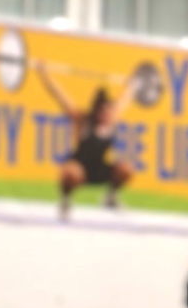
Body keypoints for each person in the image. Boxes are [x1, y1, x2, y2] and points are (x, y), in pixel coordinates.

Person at [38, 68, 134, 218]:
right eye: (104, 112)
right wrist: (45, 75)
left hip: (99, 169)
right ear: (97, 112)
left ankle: (111, 198)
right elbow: (60, 97)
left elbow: (125, 99)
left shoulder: (112, 121)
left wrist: (131, 85)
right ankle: (65, 200)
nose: (108, 115)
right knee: (70, 172)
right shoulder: (83, 121)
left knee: (126, 169)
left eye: (109, 112)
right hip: (80, 169)